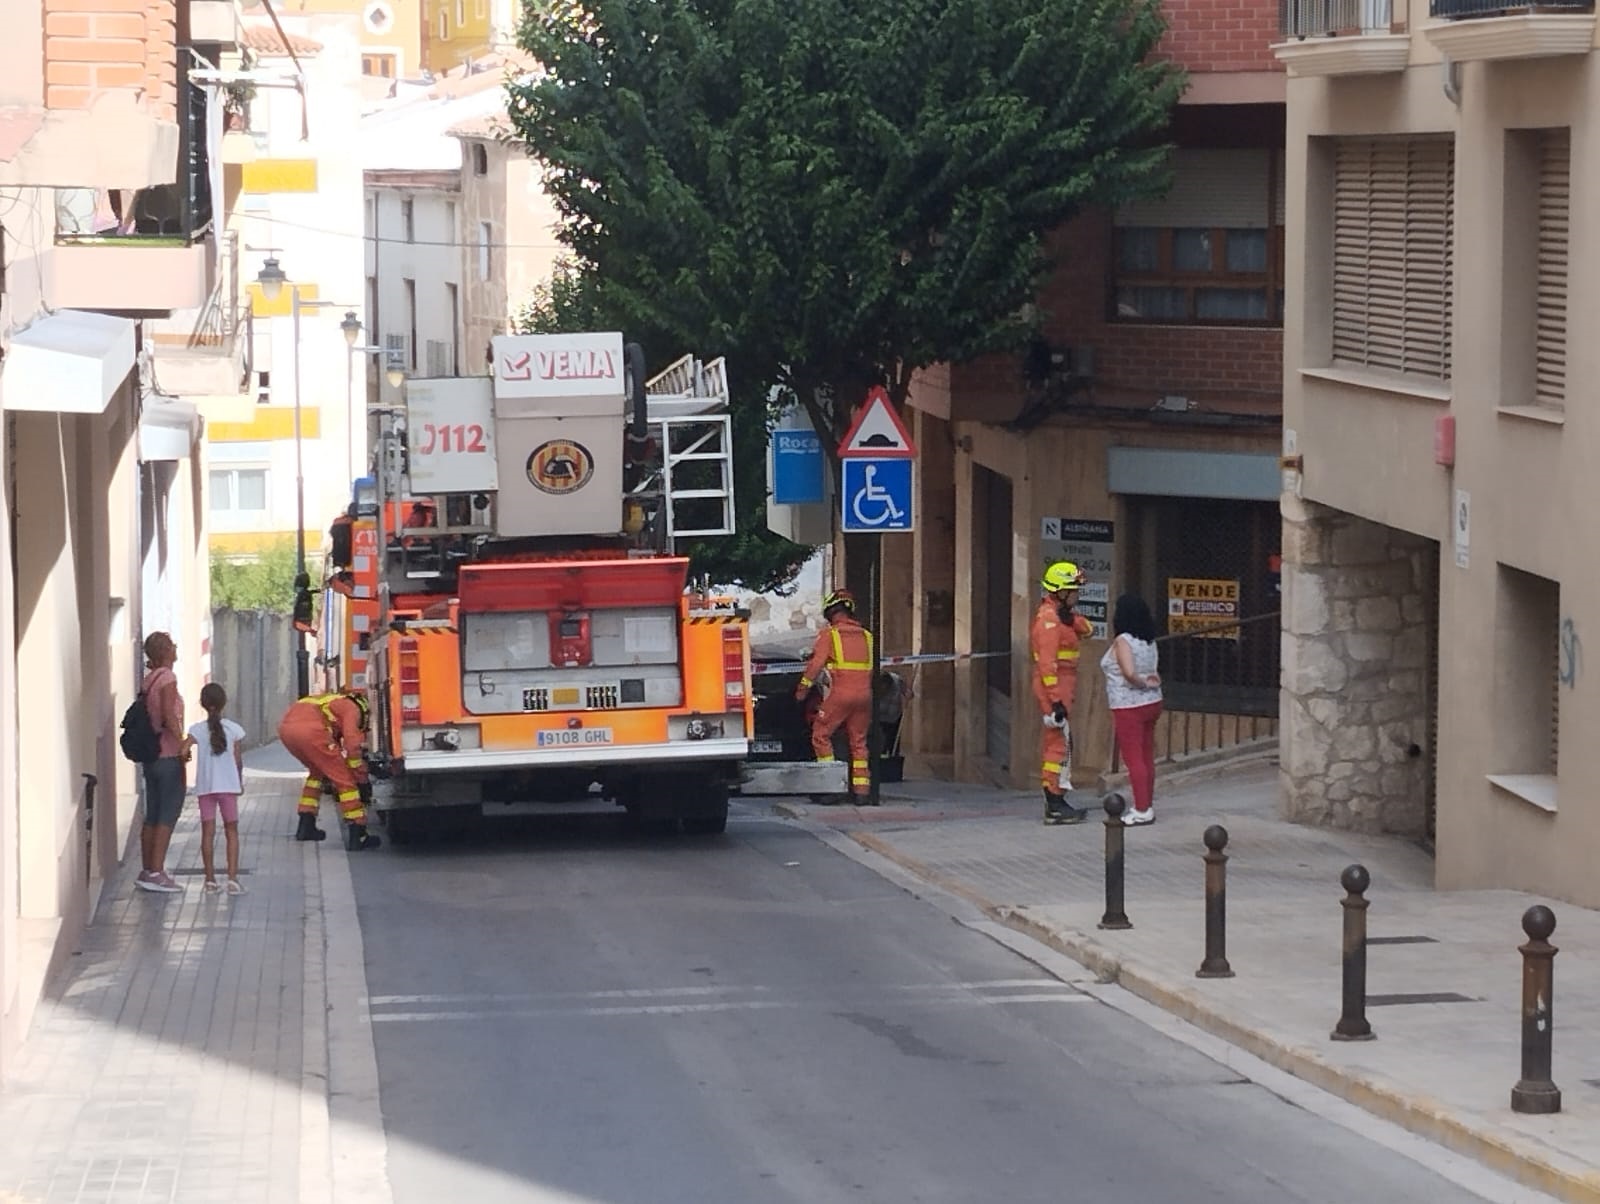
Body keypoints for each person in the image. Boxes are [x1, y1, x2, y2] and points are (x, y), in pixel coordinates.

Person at [795, 589, 875, 802]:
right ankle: (862, 793)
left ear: (830, 611)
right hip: (865, 696)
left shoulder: (830, 634)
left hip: (840, 695)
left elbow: (815, 665)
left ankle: (830, 789)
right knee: (858, 743)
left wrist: (802, 691)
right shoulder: (867, 636)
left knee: (821, 735)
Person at [277, 689, 382, 850]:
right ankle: (358, 834)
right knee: (345, 781)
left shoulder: (328, 700)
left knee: (316, 773)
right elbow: (352, 744)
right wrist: (360, 776)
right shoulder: (352, 708)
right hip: (312, 732)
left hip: (287, 731)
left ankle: (306, 824)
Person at [1031, 562, 1094, 825]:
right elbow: (1047, 666)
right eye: (1073, 590)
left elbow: (1087, 630)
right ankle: (1054, 802)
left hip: (1062, 687)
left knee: (1061, 743)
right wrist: (1055, 701)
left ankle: (1057, 799)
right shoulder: (1048, 622)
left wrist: (1071, 616)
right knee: (1057, 745)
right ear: (1060, 591)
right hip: (1054, 690)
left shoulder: (1060, 617)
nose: (1077, 595)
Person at [1102, 594, 1164, 826]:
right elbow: (1154, 670)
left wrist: (1140, 683)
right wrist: (1150, 684)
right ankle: (1146, 803)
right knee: (1147, 756)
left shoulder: (1123, 641)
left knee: (1133, 758)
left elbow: (1128, 672)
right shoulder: (1149, 640)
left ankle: (1141, 808)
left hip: (1128, 704)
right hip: (1152, 702)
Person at [137, 632, 188, 892]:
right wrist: (182, 744)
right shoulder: (167, 678)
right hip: (167, 754)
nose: (175, 648)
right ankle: (157, 871)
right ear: (166, 650)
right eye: (173, 645)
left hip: (151, 756)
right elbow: (169, 715)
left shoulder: (149, 680)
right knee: (168, 812)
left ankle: (147, 870)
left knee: (153, 813)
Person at [185, 683, 248, 894]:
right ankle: (232, 879)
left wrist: (187, 757)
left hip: (205, 788)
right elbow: (237, 760)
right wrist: (239, 782)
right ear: (223, 703)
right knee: (232, 831)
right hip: (228, 786)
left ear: (203, 704)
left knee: (207, 833)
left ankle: (210, 880)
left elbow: (182, 749)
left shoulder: (196, 730)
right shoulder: (234, 730)